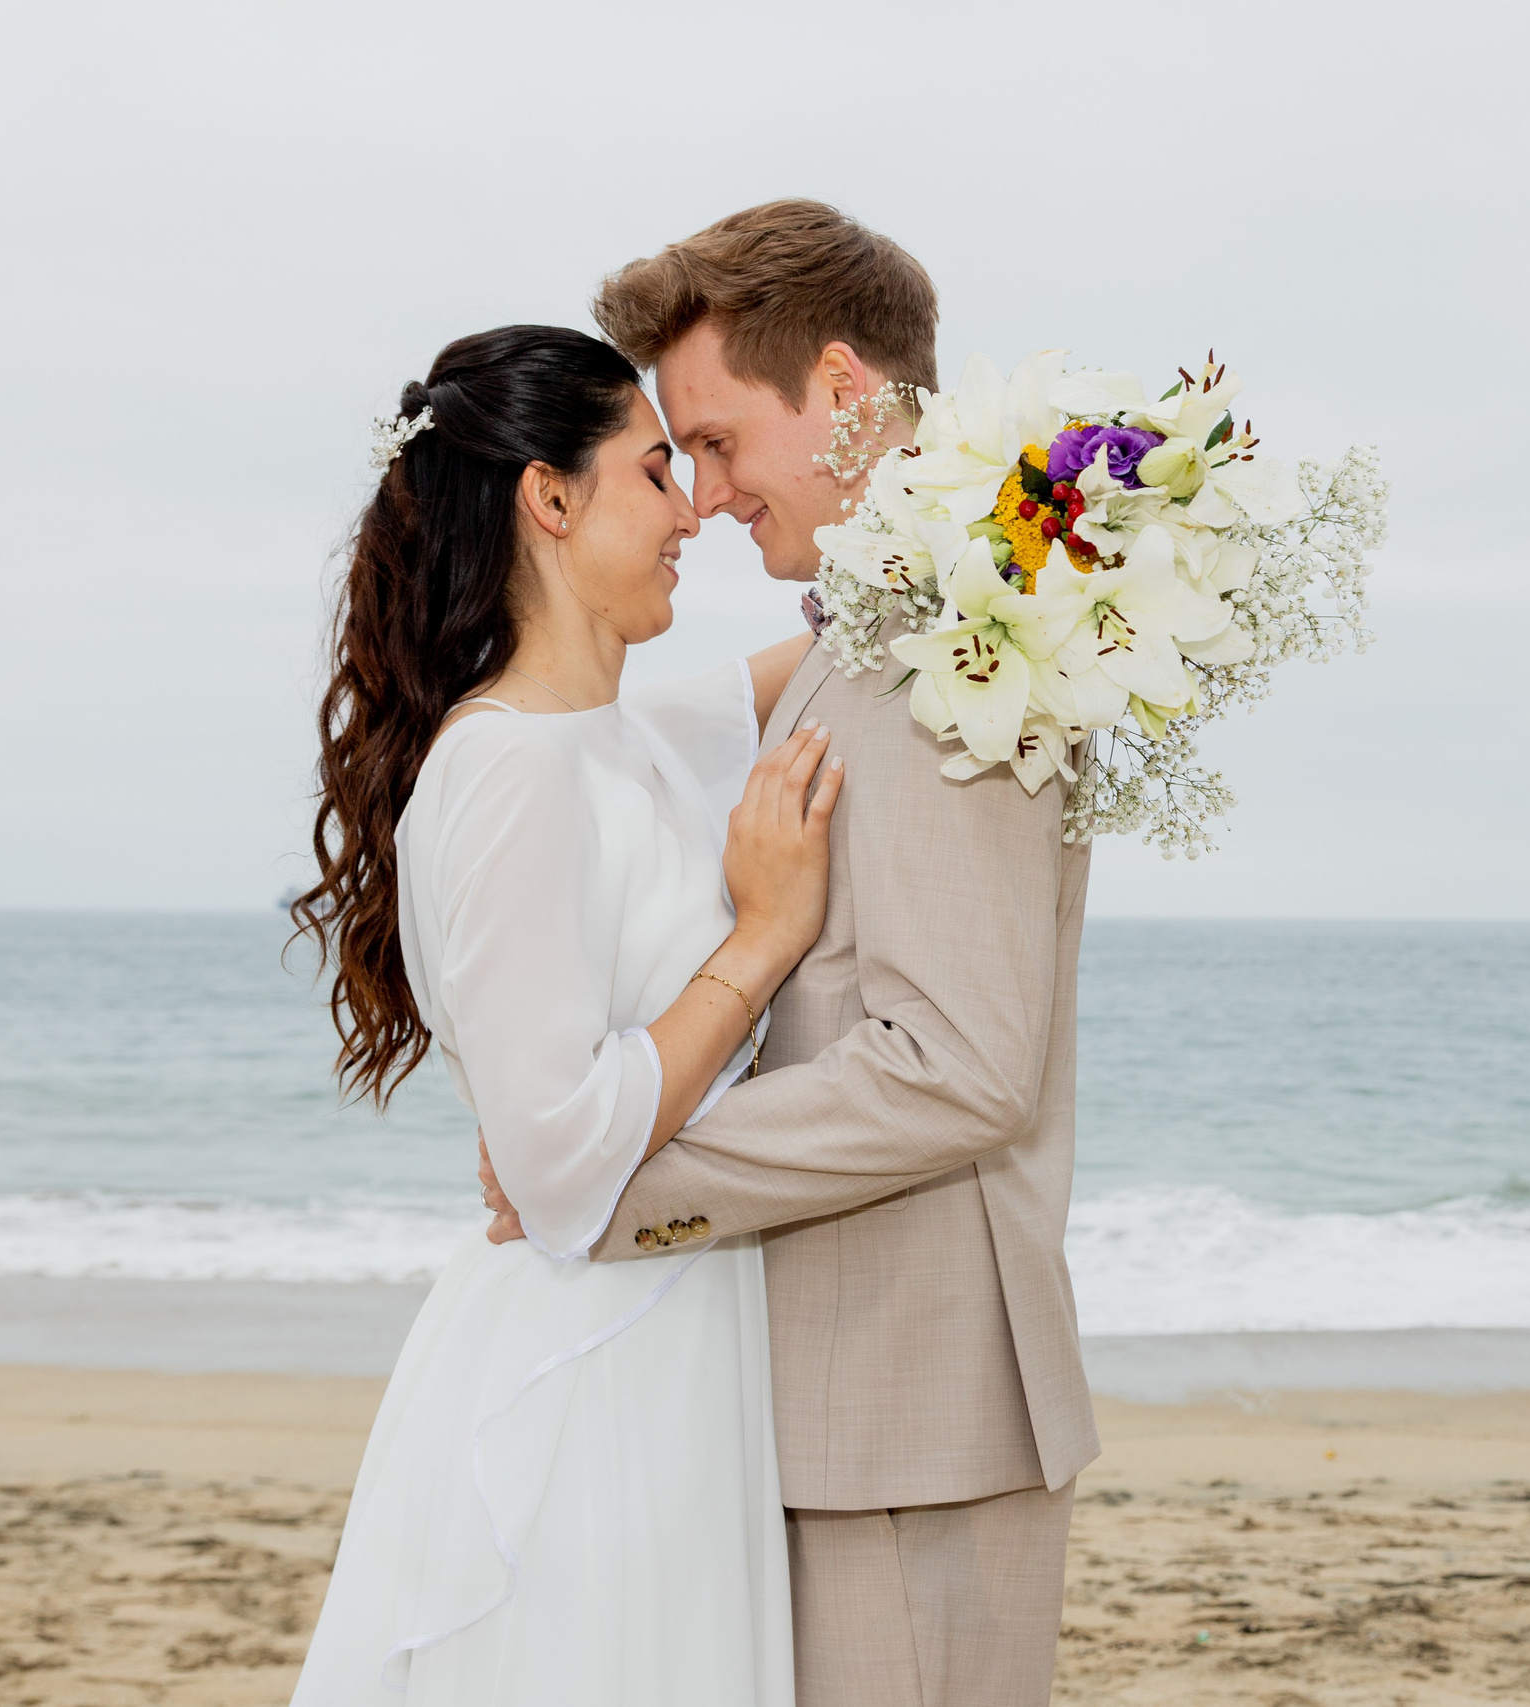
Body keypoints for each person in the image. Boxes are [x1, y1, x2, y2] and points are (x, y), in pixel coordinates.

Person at [482, 200, 1101, 1707]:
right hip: (853, 1410)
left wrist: (620, 1181)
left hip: (908, 1418)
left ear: (839, 392)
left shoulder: (971, 642)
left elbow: (957, 1071)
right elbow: (657, 728)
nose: (701, 495)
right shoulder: (878, 627)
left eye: (711, 441)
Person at [287, 324, 841, 1705]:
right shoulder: (507, 773)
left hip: (679, 1344)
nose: (692, 513)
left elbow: (848, 647)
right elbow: (554, 1157)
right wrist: (767, 938)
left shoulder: (627, 735)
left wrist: (1064, 523)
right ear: (550, 498)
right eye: (658, 471)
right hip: (587, 1376)